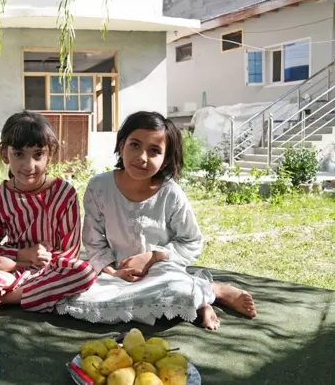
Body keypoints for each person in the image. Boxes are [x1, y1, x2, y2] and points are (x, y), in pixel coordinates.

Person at [56, 111, 256, 330]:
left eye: (154, 151)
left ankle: (212, 291)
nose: (142, 157)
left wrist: (153, 257)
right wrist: (114, 272)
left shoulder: (171, 193)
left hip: (162, 272)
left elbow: (191, 241)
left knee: (174, 287)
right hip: (115, 274)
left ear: (166, 159)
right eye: (135, 145)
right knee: (79, 301)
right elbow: (93, 240)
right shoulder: (99, 187)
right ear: (122, 145)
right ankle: (196, 300)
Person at [0, 111, 97, 315]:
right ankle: (22, 292)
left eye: (38, 154)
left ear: (50, 154)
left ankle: (4, 297)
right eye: (19, 154)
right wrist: (19, 258)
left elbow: (69, 253)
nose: (29, 165)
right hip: (7, 270)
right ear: (5, 153)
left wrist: (21, 264)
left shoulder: (64, 194)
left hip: (48, 270)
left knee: (83, 272)